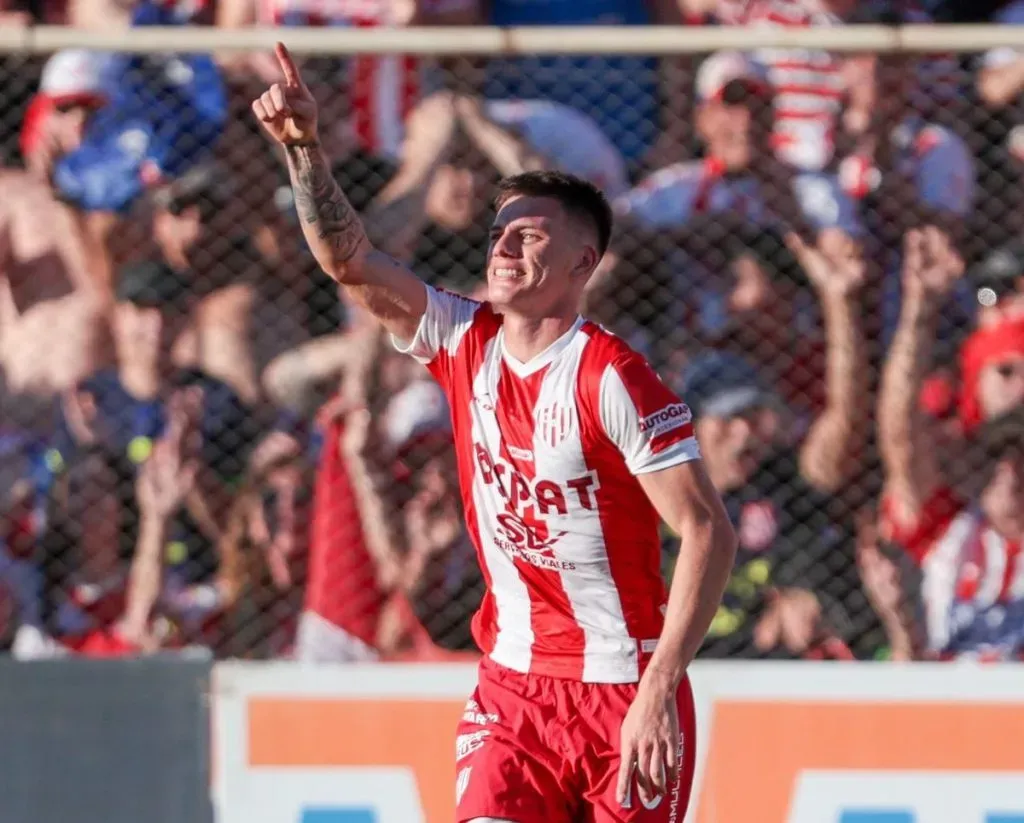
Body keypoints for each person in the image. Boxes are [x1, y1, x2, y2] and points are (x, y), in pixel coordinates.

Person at [253, 43, 737, 822]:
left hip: (624, 684)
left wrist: (658, 690)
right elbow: (350, 262)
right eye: (500, 234)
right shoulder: (462, 339)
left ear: (584, 263)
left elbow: (706, 530)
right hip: (512, 685)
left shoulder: (611, 377)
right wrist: (305, 151)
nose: (504, 246)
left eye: (530, 236)